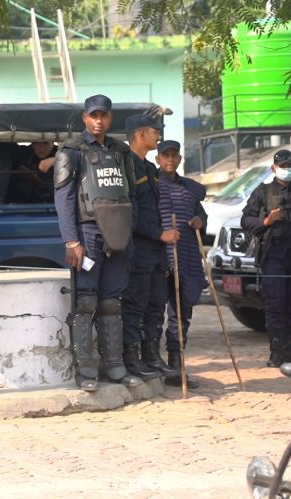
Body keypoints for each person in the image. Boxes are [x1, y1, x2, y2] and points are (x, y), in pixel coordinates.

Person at [53, 94, 139, 391]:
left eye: (103, 115)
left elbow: (131, 195)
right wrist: (71, 241)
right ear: (85, 118)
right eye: (93, 115)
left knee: (111, 303)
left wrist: (129, 234)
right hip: (87, 234)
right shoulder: (71, 150)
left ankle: (114, 366)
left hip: (119, 235)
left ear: (110, 117)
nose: (98, 121)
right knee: (85, 302)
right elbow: (64, 199)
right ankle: (86, 371)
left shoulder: (121, 151)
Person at [241, 149, 291, 367]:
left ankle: (290, 350)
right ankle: (276, 353)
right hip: (273, 255)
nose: (287, 170)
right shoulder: (263, 192)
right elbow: (245, 221)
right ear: (273, 168)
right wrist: (266, 221)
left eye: (290, 166)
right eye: (283, 166)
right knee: (276, 302)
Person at [122, 113, 179, 382]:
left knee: (156, 305)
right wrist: (160, 234)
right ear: (140, 134)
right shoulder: (126, 166)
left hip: (156, 252)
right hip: (139, 249)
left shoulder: (149, 168)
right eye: (155, 132)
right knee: (136, 305)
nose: (159, 136)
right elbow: (130, 215)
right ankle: (132, 358)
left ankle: (152, 356)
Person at [156, 140, 208, 389]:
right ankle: (152, 364)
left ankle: (176, 367)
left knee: (181, 314)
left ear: (179, 159)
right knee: (152, 314)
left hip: (185, 256)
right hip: (157, 257)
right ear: (158, 159)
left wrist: (200, 220)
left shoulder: (190, 188)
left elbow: (201, 213)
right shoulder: (150, 185)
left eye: (173, 155)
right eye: (165, 155)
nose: (169, 159)